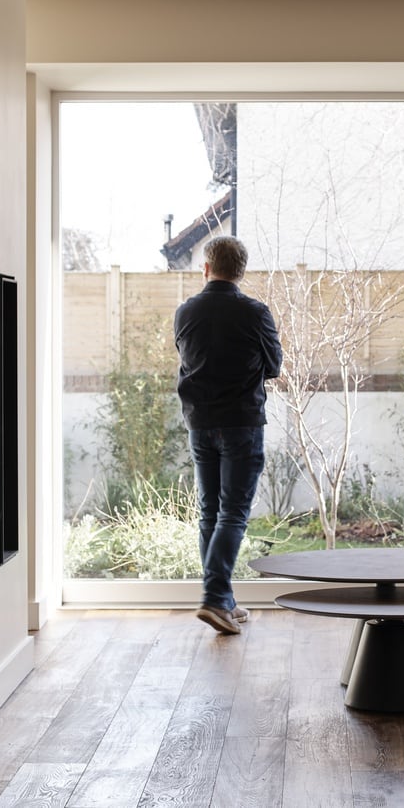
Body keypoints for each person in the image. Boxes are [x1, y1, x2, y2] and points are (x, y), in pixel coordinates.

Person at [174, 235, 282, 635]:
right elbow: (273, 366)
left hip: (200, 422)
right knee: (233, 512)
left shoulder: (186, 312)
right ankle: (216, 598)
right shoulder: (255, 313)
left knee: (210, 512)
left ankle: (225, 602)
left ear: (206, 268)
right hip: (241, 422)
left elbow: (188, 360)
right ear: (240, 272)